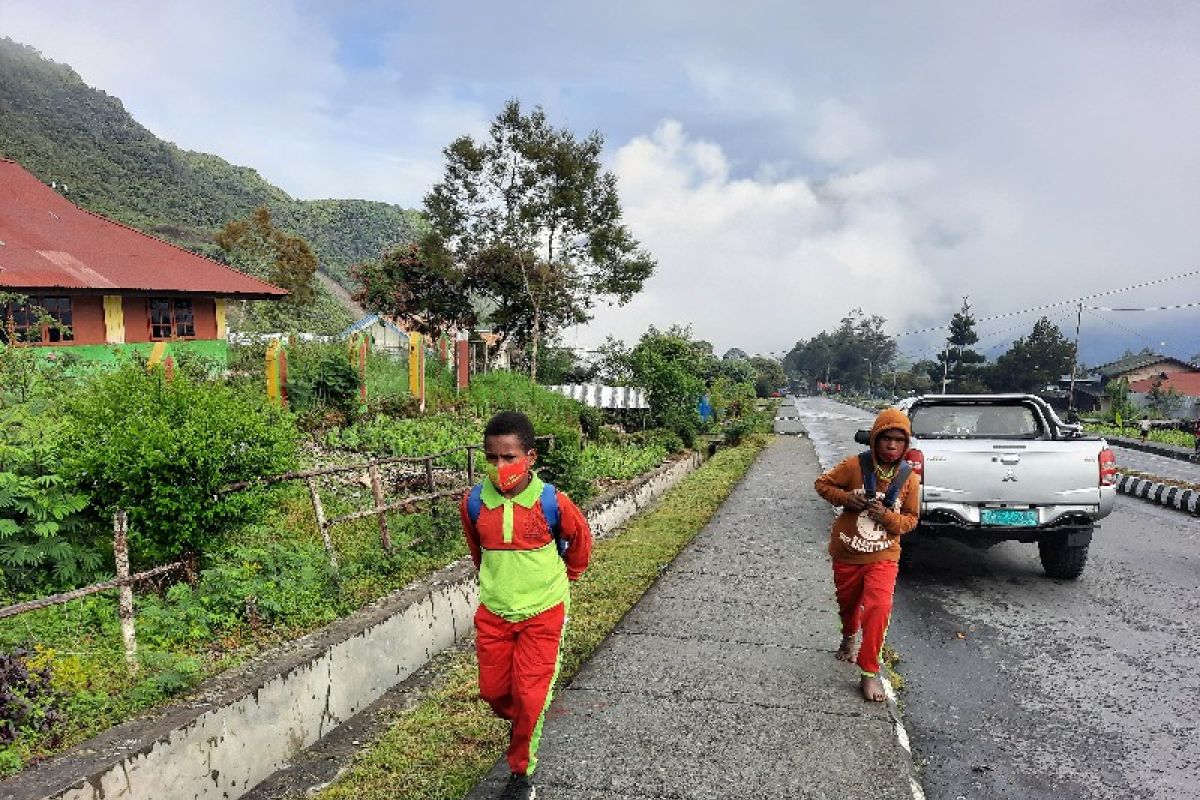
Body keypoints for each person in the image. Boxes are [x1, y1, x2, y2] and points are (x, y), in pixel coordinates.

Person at [460, 411, 593, 800]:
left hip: (544, 612)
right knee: (495, 692)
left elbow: (580, 542)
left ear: (530, 457)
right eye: (492, 458)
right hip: (495, 613)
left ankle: (521, 774)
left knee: (531, 695)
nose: (500, 467)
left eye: (509, 457)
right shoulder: (473, 503)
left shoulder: (553, 502)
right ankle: (524, 722)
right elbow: (477, 551)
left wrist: (566, 580)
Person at [814, 408, 920, 703]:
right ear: (875, 440)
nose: (891, 446)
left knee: (878, 606)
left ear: (905, 445)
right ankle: (848, 636)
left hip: (884, 554)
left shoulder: (909, 479)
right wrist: (847, 499)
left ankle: (869, 671)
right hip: (848, 551)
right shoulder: (853, 466)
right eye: (886, 439)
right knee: (848, 605)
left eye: (899, 441)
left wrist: (888, 518)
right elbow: (822, 484)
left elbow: (911, 519)